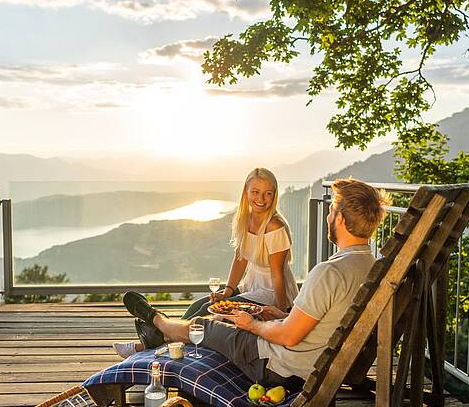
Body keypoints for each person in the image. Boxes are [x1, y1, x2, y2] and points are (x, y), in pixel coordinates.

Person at [120, 178, 389, 389]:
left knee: (204, 326)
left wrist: (254, 325)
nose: (329, 217)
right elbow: (321, 321)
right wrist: (281, 315)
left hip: (279, 366)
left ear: (340, 219)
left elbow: (289, 337)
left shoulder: (329, 272)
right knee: (221, 317)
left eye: (331, 212)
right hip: (310, 358)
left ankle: (157, 322)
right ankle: (158, 333)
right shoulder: (371, 267)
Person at [113, 167, 299, 358]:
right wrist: (228, 290)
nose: (261, 198)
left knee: (207, 318)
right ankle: (160, 338)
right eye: (256, 192)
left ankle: (145, 347)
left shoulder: (274, 226)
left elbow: (277, 275)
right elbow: (240, 259)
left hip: (270, 293)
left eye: (268, 193)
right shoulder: (246, 219)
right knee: (197, 307)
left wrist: (281, 311)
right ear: (246, 192)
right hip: (250, 287)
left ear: (274, 195)